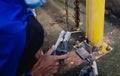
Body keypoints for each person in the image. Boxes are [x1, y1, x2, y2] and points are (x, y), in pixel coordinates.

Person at [0, 0, 67, 76]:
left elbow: (24, 11)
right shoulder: (9, 30)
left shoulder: (11, 4)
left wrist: (35, 45)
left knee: (34, 29)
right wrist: (37, 72)